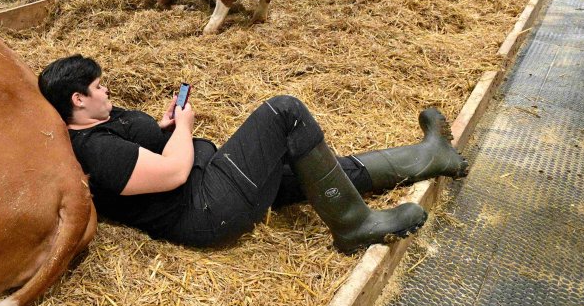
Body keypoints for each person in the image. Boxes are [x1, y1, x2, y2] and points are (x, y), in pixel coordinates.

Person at [38, 55, 469, 254]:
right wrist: (185, 131)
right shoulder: (95, 149)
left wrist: (168, 127)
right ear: (77, 99)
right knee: (284, 113)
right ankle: (355, 225)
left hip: (211, 181)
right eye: (97, 87)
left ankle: (432, 157)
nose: (105, 89)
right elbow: (170, 174)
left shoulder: (104, 123)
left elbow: (153, 153)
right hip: (207, 209)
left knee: (307, 165)